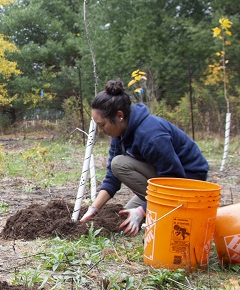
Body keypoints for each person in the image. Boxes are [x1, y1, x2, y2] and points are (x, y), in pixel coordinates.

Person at [79, 79, 209, 235]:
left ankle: (176, 210)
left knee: (119, 164)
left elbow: (174, 180)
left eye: (102, 124)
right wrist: (93, 209)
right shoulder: (119, 133)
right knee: (125, 214)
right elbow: (112, 178)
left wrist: (142, 211)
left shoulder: (151, 136)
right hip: (165, 179)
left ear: (119, 116)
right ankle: (156, 208)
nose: (100, 130)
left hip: (188, 182)